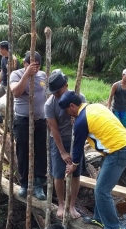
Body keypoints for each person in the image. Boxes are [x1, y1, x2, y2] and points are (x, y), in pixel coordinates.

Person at [59, 91, 126, 229]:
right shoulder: (93, 108)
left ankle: (113, 227)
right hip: (119, 148)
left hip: (118, 151)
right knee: (99, 185)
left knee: (102, 190)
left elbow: (78, 147)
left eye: (67, 110)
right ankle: (99, 218)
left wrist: (73, 165)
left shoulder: (81, 121)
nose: (68, 114)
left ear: (72, 106)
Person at [44, 69, 85, 219]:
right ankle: (61, 204)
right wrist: (62, 151)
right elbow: (53, 128)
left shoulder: (79, 97)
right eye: (54, 92)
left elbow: (85, 120)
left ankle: (72, 205)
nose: (56, 95)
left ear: (66, 86)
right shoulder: (50, 104)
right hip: (58, 141)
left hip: (75, 140)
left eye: (59, 92)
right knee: (59, 173)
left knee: (76, 173)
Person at [9, 51, 47, 200]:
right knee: (22, 152)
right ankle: (24, 184)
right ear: (24, 63)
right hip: (23, 120)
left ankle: (38, 185)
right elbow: (16, 92)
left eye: (37, 65)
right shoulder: (16, 74)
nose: (35, 68)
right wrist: (27, 75)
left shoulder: (43, 75)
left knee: (41, 152)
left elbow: (48, 95)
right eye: (32, 64)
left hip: (41, 120)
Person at [0, 41, 17, 124]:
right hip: (4, 84)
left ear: (4, 49)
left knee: (10, 105)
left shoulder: (13, 60)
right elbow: (2, 72)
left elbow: (13, 74)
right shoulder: (3, 58)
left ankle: (10, 124)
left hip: (10, 85)